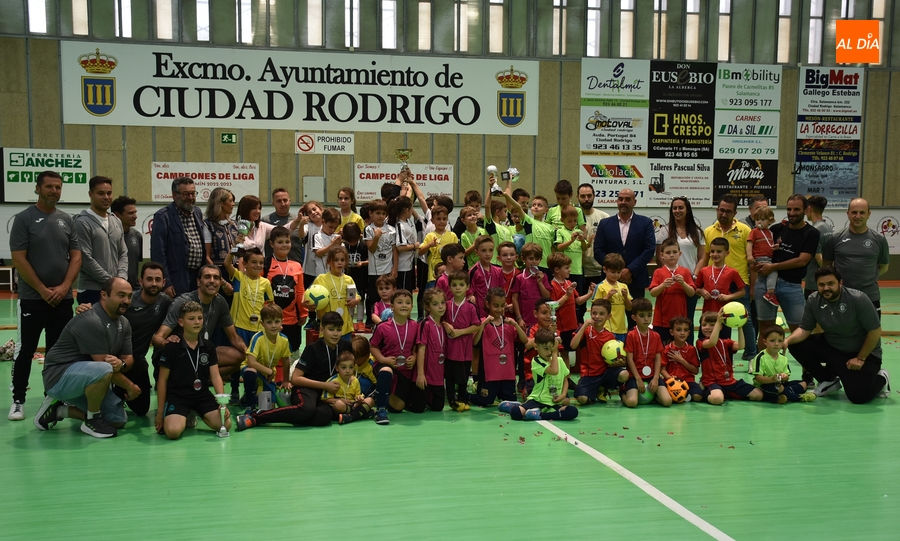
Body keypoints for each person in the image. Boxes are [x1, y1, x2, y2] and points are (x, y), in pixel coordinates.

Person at [8, 171, 81, 421]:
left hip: (62, 299)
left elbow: (76, 256)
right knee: (26, 350)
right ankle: (18, 399)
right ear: (37, 188)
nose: (54, 191)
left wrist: (64, 287)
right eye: (49, 187)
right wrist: (41, 289)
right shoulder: (24, 218)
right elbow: (18, 258)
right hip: (32, 299)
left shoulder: (67, 220)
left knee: (57, 352)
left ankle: (55, 396)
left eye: (58, 187)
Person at [33, 277, 138, 438]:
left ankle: (59, 410)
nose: (126, 301)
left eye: (129, 296)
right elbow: (102, 364)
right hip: (58, 377)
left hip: (87, 378)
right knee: (104, 368)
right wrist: (130, 386)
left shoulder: (123, 323)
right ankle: (92, 420)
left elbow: (128, 359)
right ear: (104, 295)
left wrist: (122, 364)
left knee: (118, 420)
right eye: (121, 295)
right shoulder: (92, 320)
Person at [785, 266, 890, 404]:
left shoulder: (858, 299)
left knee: (858, 396)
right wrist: (786, 341)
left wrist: (860, 358)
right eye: (821, 285)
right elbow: (805, 329)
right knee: (796, 344)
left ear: (840, 283)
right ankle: (828, 380)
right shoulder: (813, 299)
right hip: (833, 347)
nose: (826, 288)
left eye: (830, 284)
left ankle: (882, 377)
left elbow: (875, 331)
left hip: (863, 353)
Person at [235, 311, 349, 430]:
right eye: (331, 329)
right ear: (322, 329)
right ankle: (255, 417)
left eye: (338, 329)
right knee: (306, 409)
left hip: (326, 394)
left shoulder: (345, 347)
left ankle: (294, 414)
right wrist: (325, 385)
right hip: (307, 389)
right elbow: (295, 378)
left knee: (324, 416)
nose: (335, 334)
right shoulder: (312, 349)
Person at [152, 265, 247, 389]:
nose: (212, 281)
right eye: (207, 277)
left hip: (199, 353)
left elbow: (234, 337)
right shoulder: (182, 302)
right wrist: (166, 342)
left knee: (240, 356)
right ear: (198, 282)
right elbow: (157, 338)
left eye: (216, 278)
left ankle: (201, 379)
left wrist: (250, 354)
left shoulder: (220, 302)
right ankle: (183, 381)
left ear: (220, 283)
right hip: (176, 358)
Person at [155, 301, 230, 439]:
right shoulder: (172, 347)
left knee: (226, 424)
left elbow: (216, 376)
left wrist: (222, 404)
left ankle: (195, 412)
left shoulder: (208, 346)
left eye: (200, 318)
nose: (197, 322)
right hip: (178, 396)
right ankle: (182, 414)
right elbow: (162, 380)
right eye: (191, 319)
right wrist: (160, 413)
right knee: (173, 432)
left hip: (201, 395)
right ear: (181, 322)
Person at [754, 195, 819, 353]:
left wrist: (773, 267)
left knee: (800, 330)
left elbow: (802, 260)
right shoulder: (776, 229)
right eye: (789, 209)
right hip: (765, 284)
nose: (792, 213)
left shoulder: (811, 233)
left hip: (791, 286)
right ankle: (762, 370)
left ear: (806, 210)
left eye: (796, 209)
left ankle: (808, 374)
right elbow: (760, 244)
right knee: (765, 330)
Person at [702, 195, 756, 358]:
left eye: (728, 212)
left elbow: (750, 260)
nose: (724, 214)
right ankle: (717, 352)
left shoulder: (745, 230)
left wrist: (752, 286)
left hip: (739, 284)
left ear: (735, 213)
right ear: (717, 210)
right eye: (721, 210)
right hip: (716, 285)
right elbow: (705, 258)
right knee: (716, 320)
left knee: (745, 320)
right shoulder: (709, 231)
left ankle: (751, 353)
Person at [592, 189, 657, 321]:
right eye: (620, 199)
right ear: (617, 201)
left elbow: (649, 249)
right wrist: (614, 271)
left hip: (636, 279)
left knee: (635, 319)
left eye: (627, 199)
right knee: (608, 319)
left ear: (634, 202)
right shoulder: (605, 224)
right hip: (609, 281)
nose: (623, 202)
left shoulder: (645, 223)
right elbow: (598, 250)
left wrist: (631, 270)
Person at [117, 261, 172, 416]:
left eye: (157, 279)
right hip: (116, 358)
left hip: (137, 363)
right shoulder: (128, 300)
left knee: (141, 410)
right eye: (149, 279)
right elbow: (105, 306)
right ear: (141, 281)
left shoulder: (165, 302)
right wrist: (86, 307)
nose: (153, 283)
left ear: (164, 282)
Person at [822, 198, 889, 318]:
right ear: (848, 214)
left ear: (869, 214)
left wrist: (867, 279)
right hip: (841, 296)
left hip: (870, 296)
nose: (858, 216)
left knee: (872, 334)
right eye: (854, 212)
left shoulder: (880, 240)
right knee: (841, 334)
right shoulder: (835, 238)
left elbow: (884, 267)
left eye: (862, 212)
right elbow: (826, 267)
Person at [498, 328, 579, 421]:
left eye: (551, 348)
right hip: (537, 400)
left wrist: (563, 394)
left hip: (553, 402)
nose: (549, 352)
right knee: (516, 413)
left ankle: (540, 415)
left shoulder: (559, 361)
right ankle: (513, 406)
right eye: (546, 348)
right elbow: (554, 371)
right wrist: (555, 352)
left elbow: (565, 379)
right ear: (536, 347)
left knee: (572, 412)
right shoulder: (536, 361)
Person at [369, 290, 424, 424]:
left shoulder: (415, 326)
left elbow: (417, 347)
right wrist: (382, 359)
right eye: (399, 303)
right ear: (392, 307)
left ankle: (378, 394)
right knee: (386, 372)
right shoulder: (383, 327)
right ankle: (380, 409)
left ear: (412, 306)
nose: (404, 305)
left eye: (407, 303)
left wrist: (414, 356)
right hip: (387, 365)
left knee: (409, 408)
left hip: (405, 370)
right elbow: (373, 346)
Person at [655, 196, 705, 340]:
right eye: (674, 208)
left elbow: (702, 257)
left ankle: (687, 352)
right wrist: (667, 275)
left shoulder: (697, 232)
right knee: (669, 321)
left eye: (680, 207)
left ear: (687, 209)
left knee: (687, 320)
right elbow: (659, 257)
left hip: (689, 283)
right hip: (670, 283)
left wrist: (693, 276)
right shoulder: (664, 231)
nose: (677, 211)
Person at [75, 176, 128, 305]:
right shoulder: (82, 222)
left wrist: (121, 278)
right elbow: (85, 259)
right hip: (91, 290)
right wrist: (111, 282)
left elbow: (123, 253)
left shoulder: (116, 221)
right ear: (90, 194)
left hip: (115, 289)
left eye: (109, 193)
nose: (106, 197)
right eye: (101, 193)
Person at [470, 288, 527, 407]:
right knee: (484, 401)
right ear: (487, 304)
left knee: (510, 401)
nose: (499, 309)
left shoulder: (509, 324)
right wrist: (484, 324)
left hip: (507, 373)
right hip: (489, 374)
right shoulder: (482, 322)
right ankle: (466, 395)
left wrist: (515, 324)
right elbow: (475, 342)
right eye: (496, 306)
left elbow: (525, 340)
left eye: (502, 306)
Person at [151, 177, 207, 297]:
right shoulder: (163, 216)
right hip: (176, 279)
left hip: (197, 278)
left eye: (193, 193)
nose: (191, 198)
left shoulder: (197, 212)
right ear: (174, 195)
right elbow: (158, 253)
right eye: (186, 194)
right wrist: (166, 283)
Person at [696, 310, 762, 405]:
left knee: (758, 395)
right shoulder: (700, 342)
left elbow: (741, 346)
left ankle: (725, 393)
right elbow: (712, 342)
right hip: (711, 382)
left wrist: (740, 326)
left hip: (730, 382)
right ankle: (704, 389)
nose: (707, 327)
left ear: (720, 327)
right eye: (704, 325)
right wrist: (718, 321)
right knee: (717, 399)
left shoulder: (725, 342)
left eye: (712, 325)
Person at [569, 299, 628, 405]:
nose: (597, 316)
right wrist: (584, 326)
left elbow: (616, 358)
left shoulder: (610, 336)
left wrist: (620, 362)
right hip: (589, 374)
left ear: (608, 316)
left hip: (605, 372)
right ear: (590, 313)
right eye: (594, 313)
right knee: (582, 399)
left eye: (601, 314)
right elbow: (573, 345)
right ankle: (597, 390)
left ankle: (606, 388)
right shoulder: (586, 331)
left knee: (624, 374)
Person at [240, 303, 292, 408]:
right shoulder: (258, 338)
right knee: (251, 372)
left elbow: (286, 360)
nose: (273, 325)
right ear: (262, 324)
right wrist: (269, 371)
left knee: (268, 408)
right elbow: (251, 362)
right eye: (269, 322)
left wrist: (286, 381)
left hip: (268, 376)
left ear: (282, 321)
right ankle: (250, 405)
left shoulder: (284, 340)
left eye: (277, 322)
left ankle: (253, 396)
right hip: (253, 369)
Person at [622, 298, 671, 408]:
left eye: (649, 315)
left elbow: (658, 358)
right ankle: (623, 393)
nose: (646, 319)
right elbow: (629, 359)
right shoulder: (631, 335)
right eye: (642, 315)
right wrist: (638, 379)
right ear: (634, 317)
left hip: (652, 375)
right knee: (632, 403)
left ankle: (654, 397)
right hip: (635, 375)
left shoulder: (656, 335)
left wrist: (656, 378)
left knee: (667, 401)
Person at [265, 226, 307, 352]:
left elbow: (300, 291)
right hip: (271, 320)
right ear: (272, 244)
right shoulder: (265, 264)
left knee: (292, 350)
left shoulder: (297, 266)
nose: (284, 245)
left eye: (287, 242)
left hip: (291, 320)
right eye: (280, 242)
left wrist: (304, 312)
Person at [443, 270, 480, 411]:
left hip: (464, 350)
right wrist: (446, 324)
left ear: (467, 286)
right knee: (450, 377)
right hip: (449, 349)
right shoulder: (446, 305)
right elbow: (440, 320)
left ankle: (462, 398)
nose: (458, 287)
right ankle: (452, 399)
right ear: (449, 286)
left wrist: (460, 332)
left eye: (461, 284)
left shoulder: (470, 307)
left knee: (463, 377)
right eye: (454, 285)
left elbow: (476, 325)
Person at [751, 324, 816, 403]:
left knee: (804, 383)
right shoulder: (760, 357)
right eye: (772, 341)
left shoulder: (783, 358)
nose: (776, 344)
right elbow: (758, 378)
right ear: (765, 342)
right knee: (777, 388)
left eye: (780, 341)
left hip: (780, 384)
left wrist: (784, 377)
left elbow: (787, 377)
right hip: (764, 386)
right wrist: (771, 379)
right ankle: (798, 398)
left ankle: (783, 396)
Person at [648, 238, 695, 344]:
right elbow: (652, 292)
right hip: (661, 320)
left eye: (674, 252)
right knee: (661, 347)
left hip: (680, 319)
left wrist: (683, 283)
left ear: (680, 254)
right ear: (662, 255)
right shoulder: (658, 272)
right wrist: (663, 285)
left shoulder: (685, 271)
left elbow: (691, 293)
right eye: (668, 252)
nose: (672, 255)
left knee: (679, 346)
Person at [694, 238, 745, 333]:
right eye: (712, 251)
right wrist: (701, 291)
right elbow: (696, 288)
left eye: (719, 251)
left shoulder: (732, 272)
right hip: (707, 316)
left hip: (724, 316)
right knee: (705, 343)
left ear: (727, 253)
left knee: (724, 344)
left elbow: (742, 292)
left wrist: (729, 296)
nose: (715, 254)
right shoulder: (704, 271)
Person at [309, 245, 359, 339]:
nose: (339, 263)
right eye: (336, 260)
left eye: (342, 260)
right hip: (327, 328)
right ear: (329, 262)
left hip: (345, 328)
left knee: (344, 353)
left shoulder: (349, 280)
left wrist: (356, 300)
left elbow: (357, 296)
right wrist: (307, 304)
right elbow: (308, 295)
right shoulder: (321, 279)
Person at [365, 199, 398, 325]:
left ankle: (390, 319)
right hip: (374, 270)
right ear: (371, 213)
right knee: (373, 297)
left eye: (383, 213)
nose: (380, 216)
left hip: (388, 269)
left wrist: (395, 268)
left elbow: (395, 250)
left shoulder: (391, 230)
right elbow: (371, 249)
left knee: (389, 295)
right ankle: (371, 319)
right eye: (377, 213)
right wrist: (377, 236)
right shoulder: (368, 229)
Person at [416, 288, 448, 412]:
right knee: (419, 408)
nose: (440, 307)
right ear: (428, 307)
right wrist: (420, 374)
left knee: (438, 407)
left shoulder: (444, 325)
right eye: (435, 304)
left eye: (443, 303)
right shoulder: (426, 324)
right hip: (425, 375)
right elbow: (421, 349)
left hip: (438, 375)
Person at [323, 351, 375, 424]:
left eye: (351, 367)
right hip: (342, 407)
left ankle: (350, 417)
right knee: (338, 405)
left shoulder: (355, 380)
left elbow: (358, 395)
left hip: (353, 406)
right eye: (343, 367)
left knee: (370, 400)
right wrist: (342, 401)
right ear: (337, 368)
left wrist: (359, 398)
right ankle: (360, 414)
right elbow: (325, 399)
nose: (347, 371)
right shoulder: (332, 381)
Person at [660, 316, 702, 403]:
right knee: (664, 397)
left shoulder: (691, 349)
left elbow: (695, 371)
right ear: (672, 332)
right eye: (678, 330)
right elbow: (662, 369)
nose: (682, 333)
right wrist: (669, 377)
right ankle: (682, 396)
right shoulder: (667, 349)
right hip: (671, 382)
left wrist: (681, 360)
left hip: (688, 381)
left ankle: (686, 394)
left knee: (698, 397)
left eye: (685, 330)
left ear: (689, 333)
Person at [592, 253, 633, 341]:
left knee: (619, 353)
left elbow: (629, 308)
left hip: (621, 328)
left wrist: (625, 297)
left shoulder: (624, 286)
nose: (615, 275)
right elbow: (595, 307)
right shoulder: (600, 287)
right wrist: (607, 297)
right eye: (613, 272)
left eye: (619, 272)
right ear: (604, 269)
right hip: (606, 328)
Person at [203, 187, 238, 287]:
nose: (233, 204)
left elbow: (240, 253)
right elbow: (207, 258)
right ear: (221, 203)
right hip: (219, 274)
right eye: (230, 201)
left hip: (237, 272)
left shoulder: (235, 225)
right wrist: (223, 283)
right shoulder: (208, 225)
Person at [746, 206, 780, 307]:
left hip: (769, 258)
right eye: (757, 219)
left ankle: (767, 291)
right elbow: (749, 243)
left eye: (762, 219)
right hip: (760, 258)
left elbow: (770, 245)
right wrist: (749, 256)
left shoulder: (770, 232)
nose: (759, 222)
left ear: (770, 221)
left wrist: (776, 246)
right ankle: (770, 293)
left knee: (768, 274)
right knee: (773, 271)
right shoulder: (754, 231)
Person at [578, 183, 611, 287]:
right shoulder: (572, 218)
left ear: (594, 196)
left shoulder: (604, 218)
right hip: (578, 269)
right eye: (583, 196)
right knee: (579, 303)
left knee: (600, 303)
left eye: (589, 196)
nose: (586, 199)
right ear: (577, 197)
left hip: (599, 269)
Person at [804, 195, 833, 299]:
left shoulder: (814, 231)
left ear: (809, 209)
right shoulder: (827, 228)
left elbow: (818, 257)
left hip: (815, 283)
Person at [265, 188, 305, 262]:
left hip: (295, 266)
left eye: (285, 200)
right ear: (273, 203)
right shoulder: (265, 221)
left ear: (290, 201)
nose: (283, 204)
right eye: (279, 201)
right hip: (272, 267)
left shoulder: (299, 220)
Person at [111, 195, 142, 290]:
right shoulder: (108, 236)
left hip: (134, 290)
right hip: (114, 289)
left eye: (135, 212)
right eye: (130, 213)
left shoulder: (137, 236)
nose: (135, 216)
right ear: (117, 215)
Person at [342, 222, 368, 331]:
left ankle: (360, 321)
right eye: (349, 241)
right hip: (348, 277)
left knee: (360, 300)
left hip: (361, 277)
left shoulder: (363, 245)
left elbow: (370, 260)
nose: (352, 243)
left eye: (354, 240)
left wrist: (362, 263)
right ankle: (350, 320)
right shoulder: (344, 245)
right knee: (350, 300)